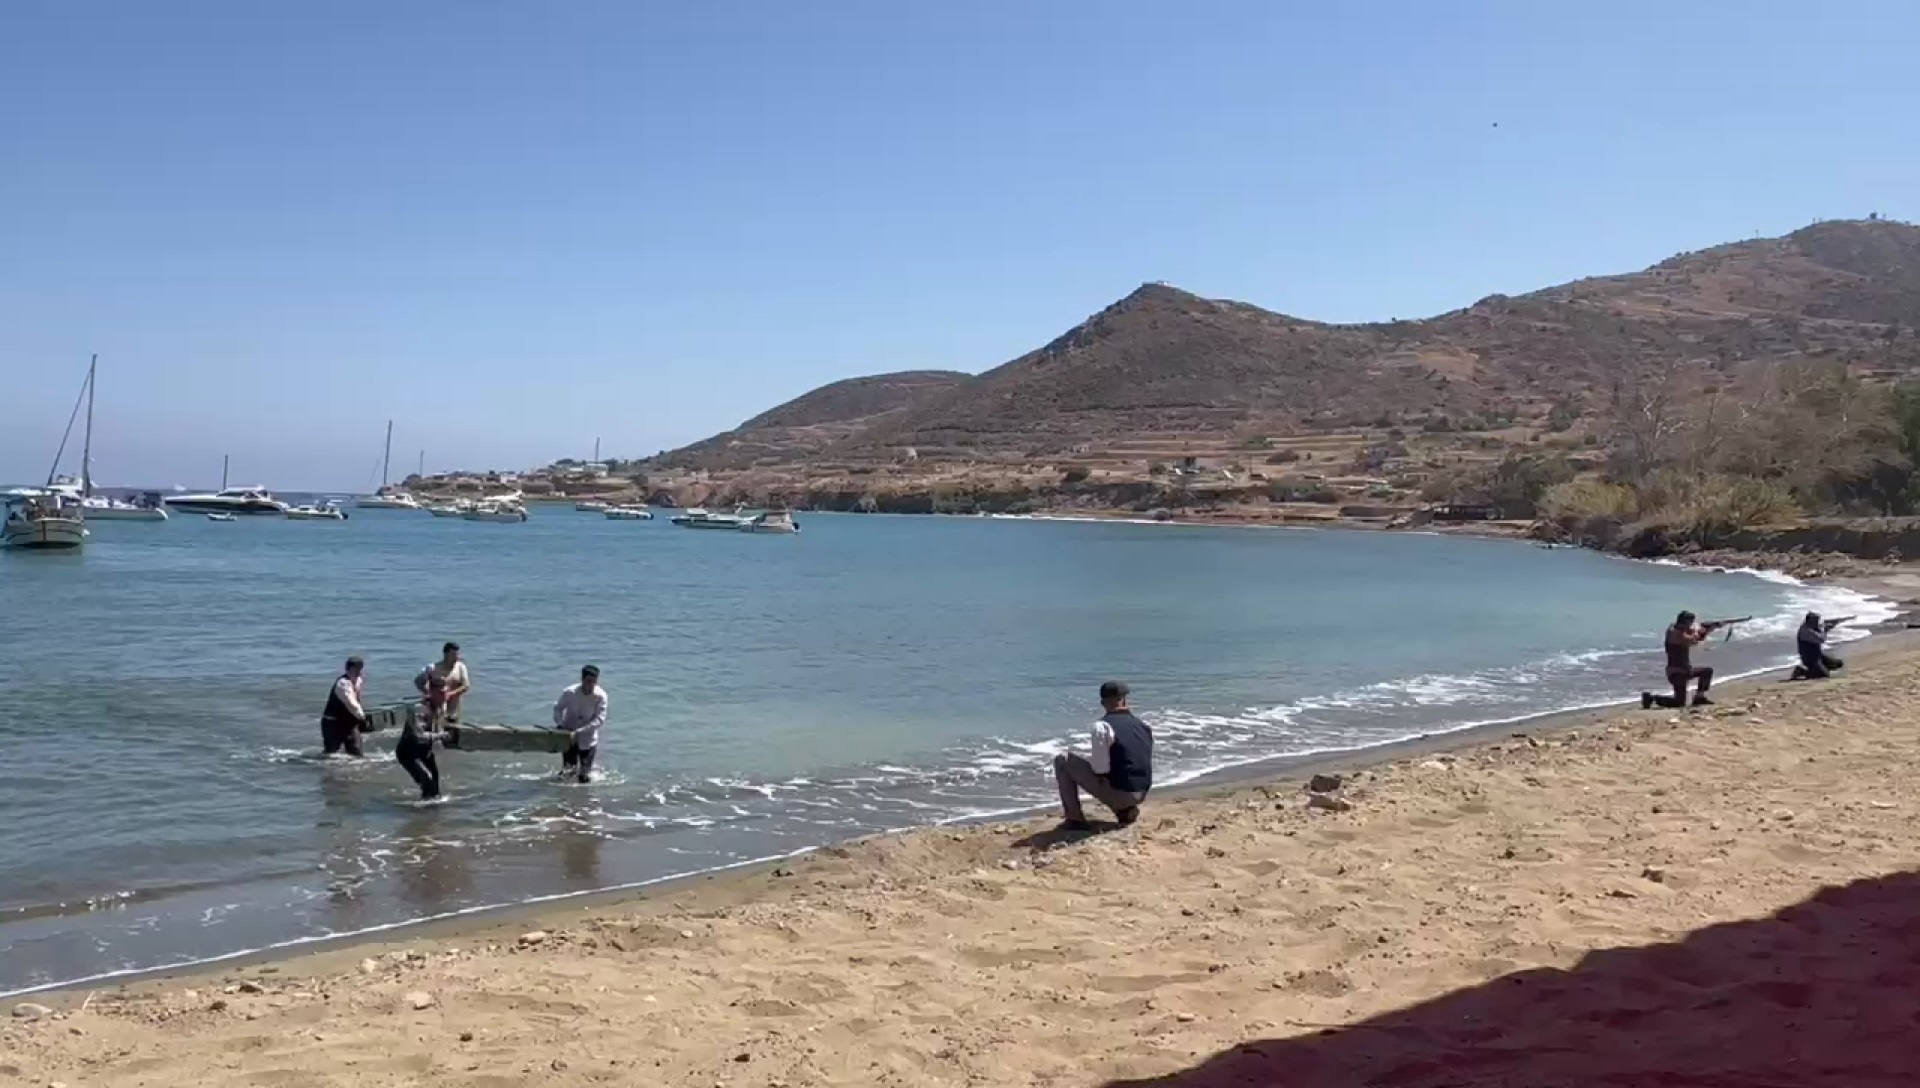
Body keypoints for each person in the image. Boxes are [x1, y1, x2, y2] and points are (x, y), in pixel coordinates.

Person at [1053, 680, 1154, 829]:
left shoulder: (1102, 726)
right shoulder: (1143, 726)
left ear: (1102, 703)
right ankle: (1125, 810)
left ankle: (1074, 819)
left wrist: (1088, 765)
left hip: (1122, 793)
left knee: (1063, 760)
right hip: (1142, 791)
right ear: (1125, 700)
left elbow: (1101, 770)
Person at [1641, 611, 1738, 709]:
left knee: (1707, 671)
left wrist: (1708, 630)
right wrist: (1701, 631)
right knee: (1679, 703)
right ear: (1685, 622)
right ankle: (1652, 698)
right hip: (1676, 673)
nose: (1691, 625)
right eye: (1690, 622)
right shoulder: (1674, 632)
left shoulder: (1681, 630)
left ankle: (1699, 697)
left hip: (1686, 670)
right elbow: (1692, 640)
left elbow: (1697, 638)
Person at [552, 664, 607, 784]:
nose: (591, 685)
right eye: (588, 681)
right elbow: (558, 708)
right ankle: (562, 793)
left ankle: (585, 795)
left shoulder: (601, 696)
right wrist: (560, 726)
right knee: (568, 772)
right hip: (568, 734)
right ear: (582, 679)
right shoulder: (570, 692)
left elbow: (599, 719)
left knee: (584, 775)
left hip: (588, 737)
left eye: (594, 681)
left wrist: (579, 731)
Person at [395, 673, 446, 800]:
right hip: (408, 753)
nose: (444, 696)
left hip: (424, 750)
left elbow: (436, 726)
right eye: (441, 693)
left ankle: (433, 809)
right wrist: (439, 735)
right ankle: (423, 809)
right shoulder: (420, 709)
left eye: (445, 692)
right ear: (432, 692)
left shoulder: (439, 706)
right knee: (427, 782)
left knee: (435, 782)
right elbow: (418, 735)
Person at [320, 655, 369, 758]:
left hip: (349, 722)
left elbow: (357, 699)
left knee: (357, 753)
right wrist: (362, 717)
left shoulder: (358, 680)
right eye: (355, 669)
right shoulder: (343, 684)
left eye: (360, 668)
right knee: (331, 754)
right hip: (333, 723)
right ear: (348, 669)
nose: (358, 672)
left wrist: (360, 716)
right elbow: (351, 704)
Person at [413, 642, 471, 724]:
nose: (456, 658)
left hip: (453, 712)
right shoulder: (433, 668)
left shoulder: (460, 667)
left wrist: (450, 694)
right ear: (445, 654)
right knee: (433, 724)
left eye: (457, 655)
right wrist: (428, 693)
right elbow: (418, 681)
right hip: (435, 711)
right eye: (453, 655)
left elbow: (466, 686)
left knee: (453, 727)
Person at [1792, 612, 1849, 679]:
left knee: (1838, 664)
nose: (1817, 622)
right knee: (1823, 675)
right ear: (1810, 621)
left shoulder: (1813, 627)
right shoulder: (1805, 631)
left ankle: (1819, 669)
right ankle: (1801, 671)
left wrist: (1827, 627)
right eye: (1816, 621)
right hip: (1810, 659)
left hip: (1818, 656)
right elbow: (1821, 640)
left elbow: (1820, 630)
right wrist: (1825, 630)